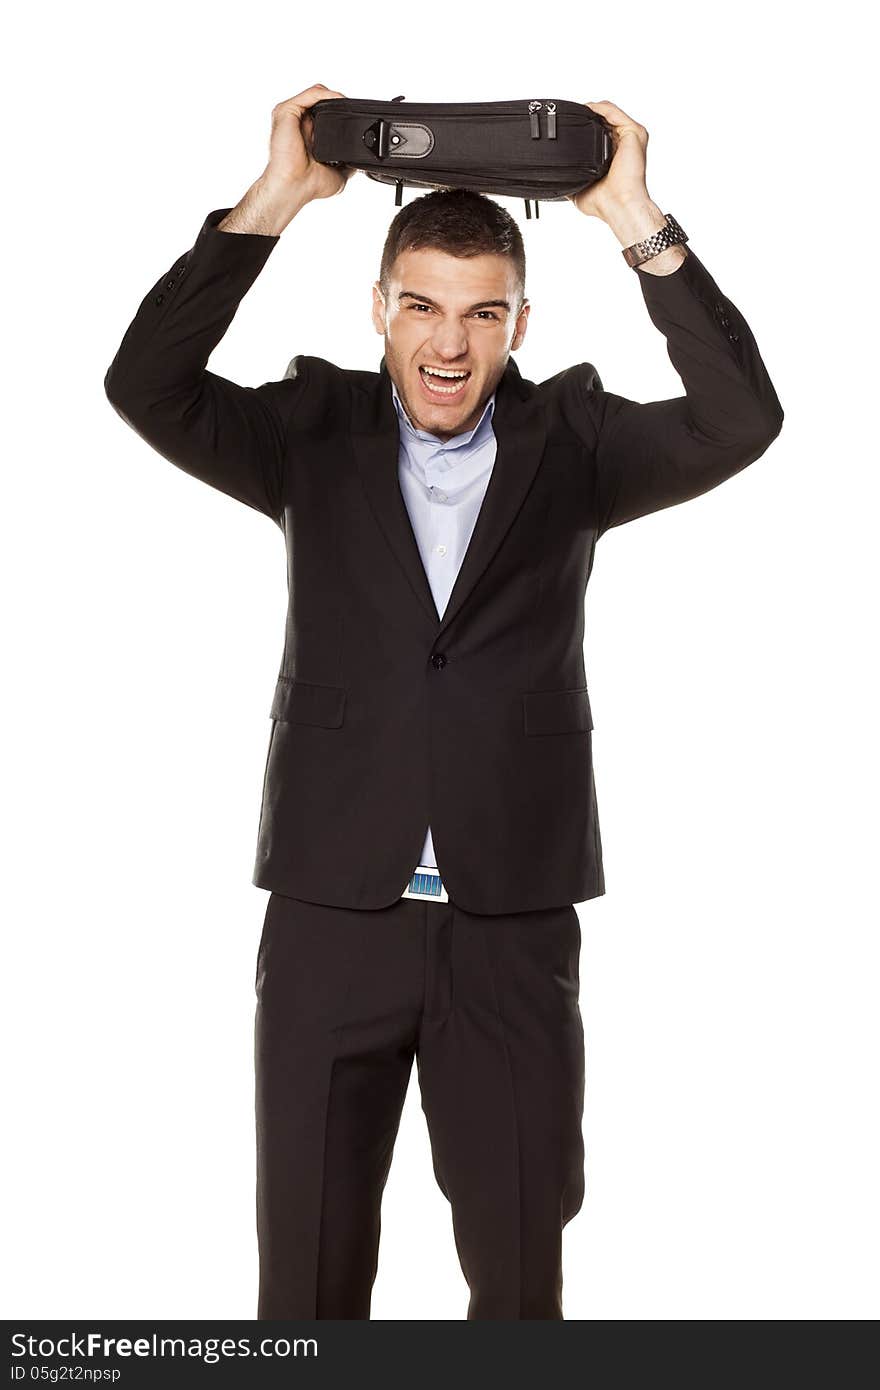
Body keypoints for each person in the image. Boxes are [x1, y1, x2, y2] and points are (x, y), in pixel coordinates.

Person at [104, 84, 783, 1320]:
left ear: (521, 321)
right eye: (420, 306)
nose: (448, 345)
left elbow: (744, 419)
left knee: (520, 1278)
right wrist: (277, 200)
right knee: (306, 1285)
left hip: (510, 928)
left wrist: (631, 211)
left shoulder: (573, 443)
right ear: (379, 309)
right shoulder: (309, 432)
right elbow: (144, 384)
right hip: (330, 917)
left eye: (481, 314)